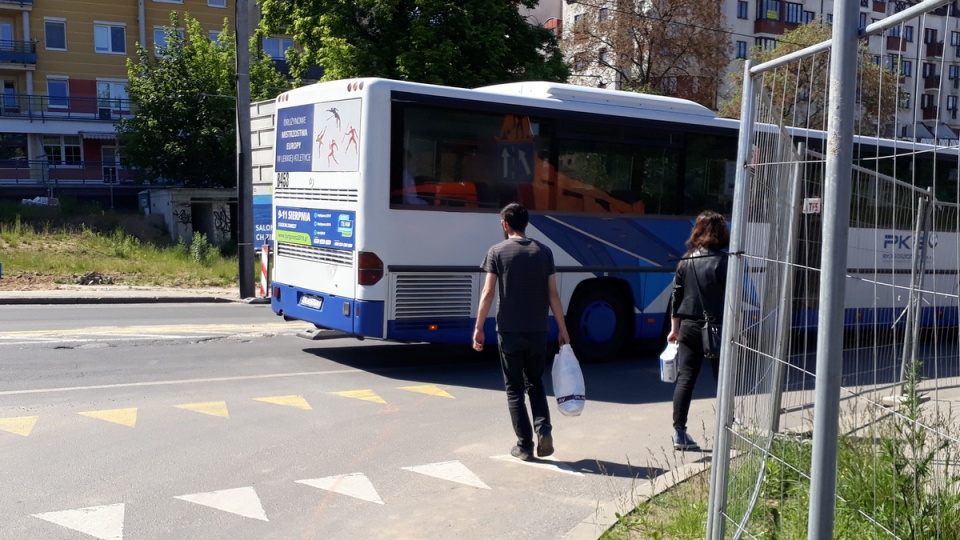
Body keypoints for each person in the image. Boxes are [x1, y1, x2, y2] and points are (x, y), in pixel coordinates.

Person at [473, 203, 570, 461]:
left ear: (505, 223)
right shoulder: (544, 252)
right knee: (536, 382)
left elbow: (488, 293)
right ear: (525, 224)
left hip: (509, 331)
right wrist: (562, 329)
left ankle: (525, 446)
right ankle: (544, 430)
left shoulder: (497, 252)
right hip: (538, 330)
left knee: (514, 389)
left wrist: (478, 327)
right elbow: (553, 294)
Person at [667, 210, 729, 451]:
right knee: (723, 379)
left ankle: (679, 433)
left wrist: (674, 329)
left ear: (698, 231)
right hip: (717, 326)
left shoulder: (687, 259)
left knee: (686, 379)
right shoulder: (725, 261)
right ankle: (727, 427)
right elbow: (732, 299)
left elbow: (676, 296)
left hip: (689, 327)